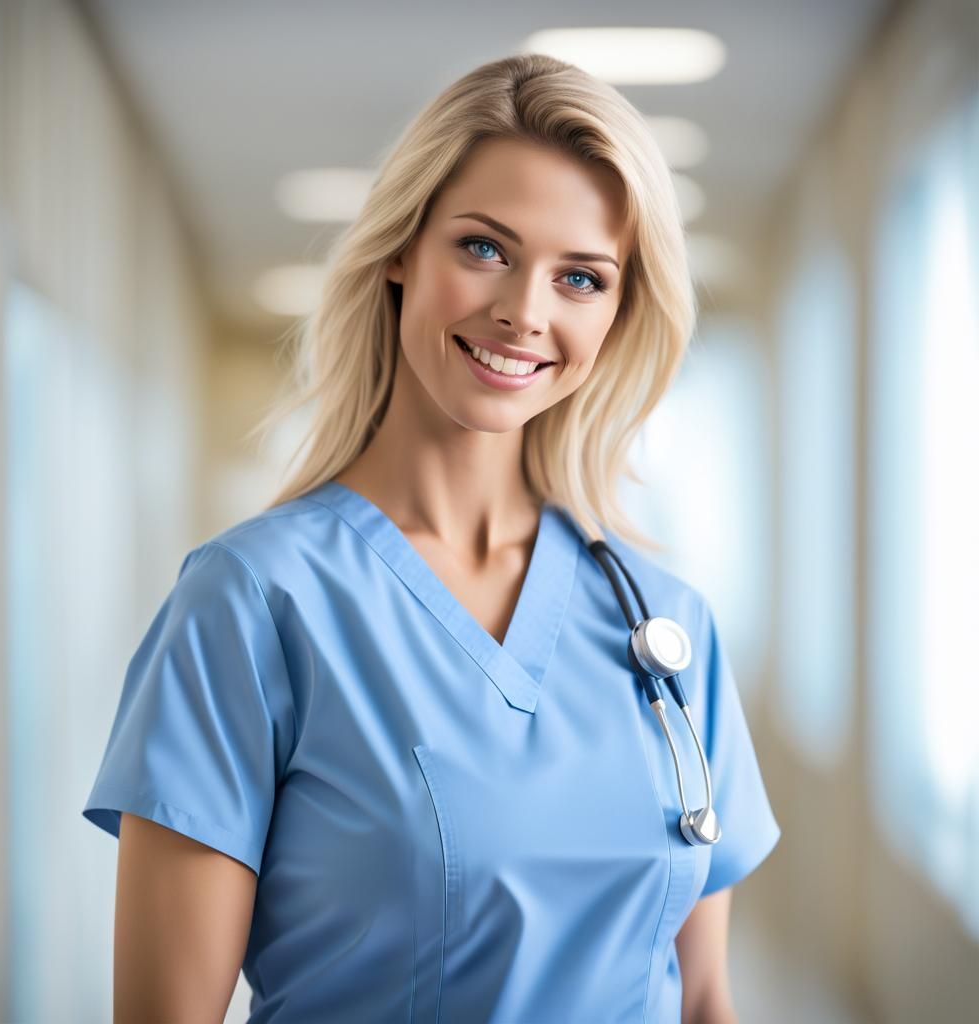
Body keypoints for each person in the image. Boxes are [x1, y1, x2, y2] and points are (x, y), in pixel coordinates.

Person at [82, 53, 780, 1023]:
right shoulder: (251, 604)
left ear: (619, 314)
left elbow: (704, 998)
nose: (524, 312)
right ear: (400, 249)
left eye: (580, 277)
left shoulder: (667, 627)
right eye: (485, 249)